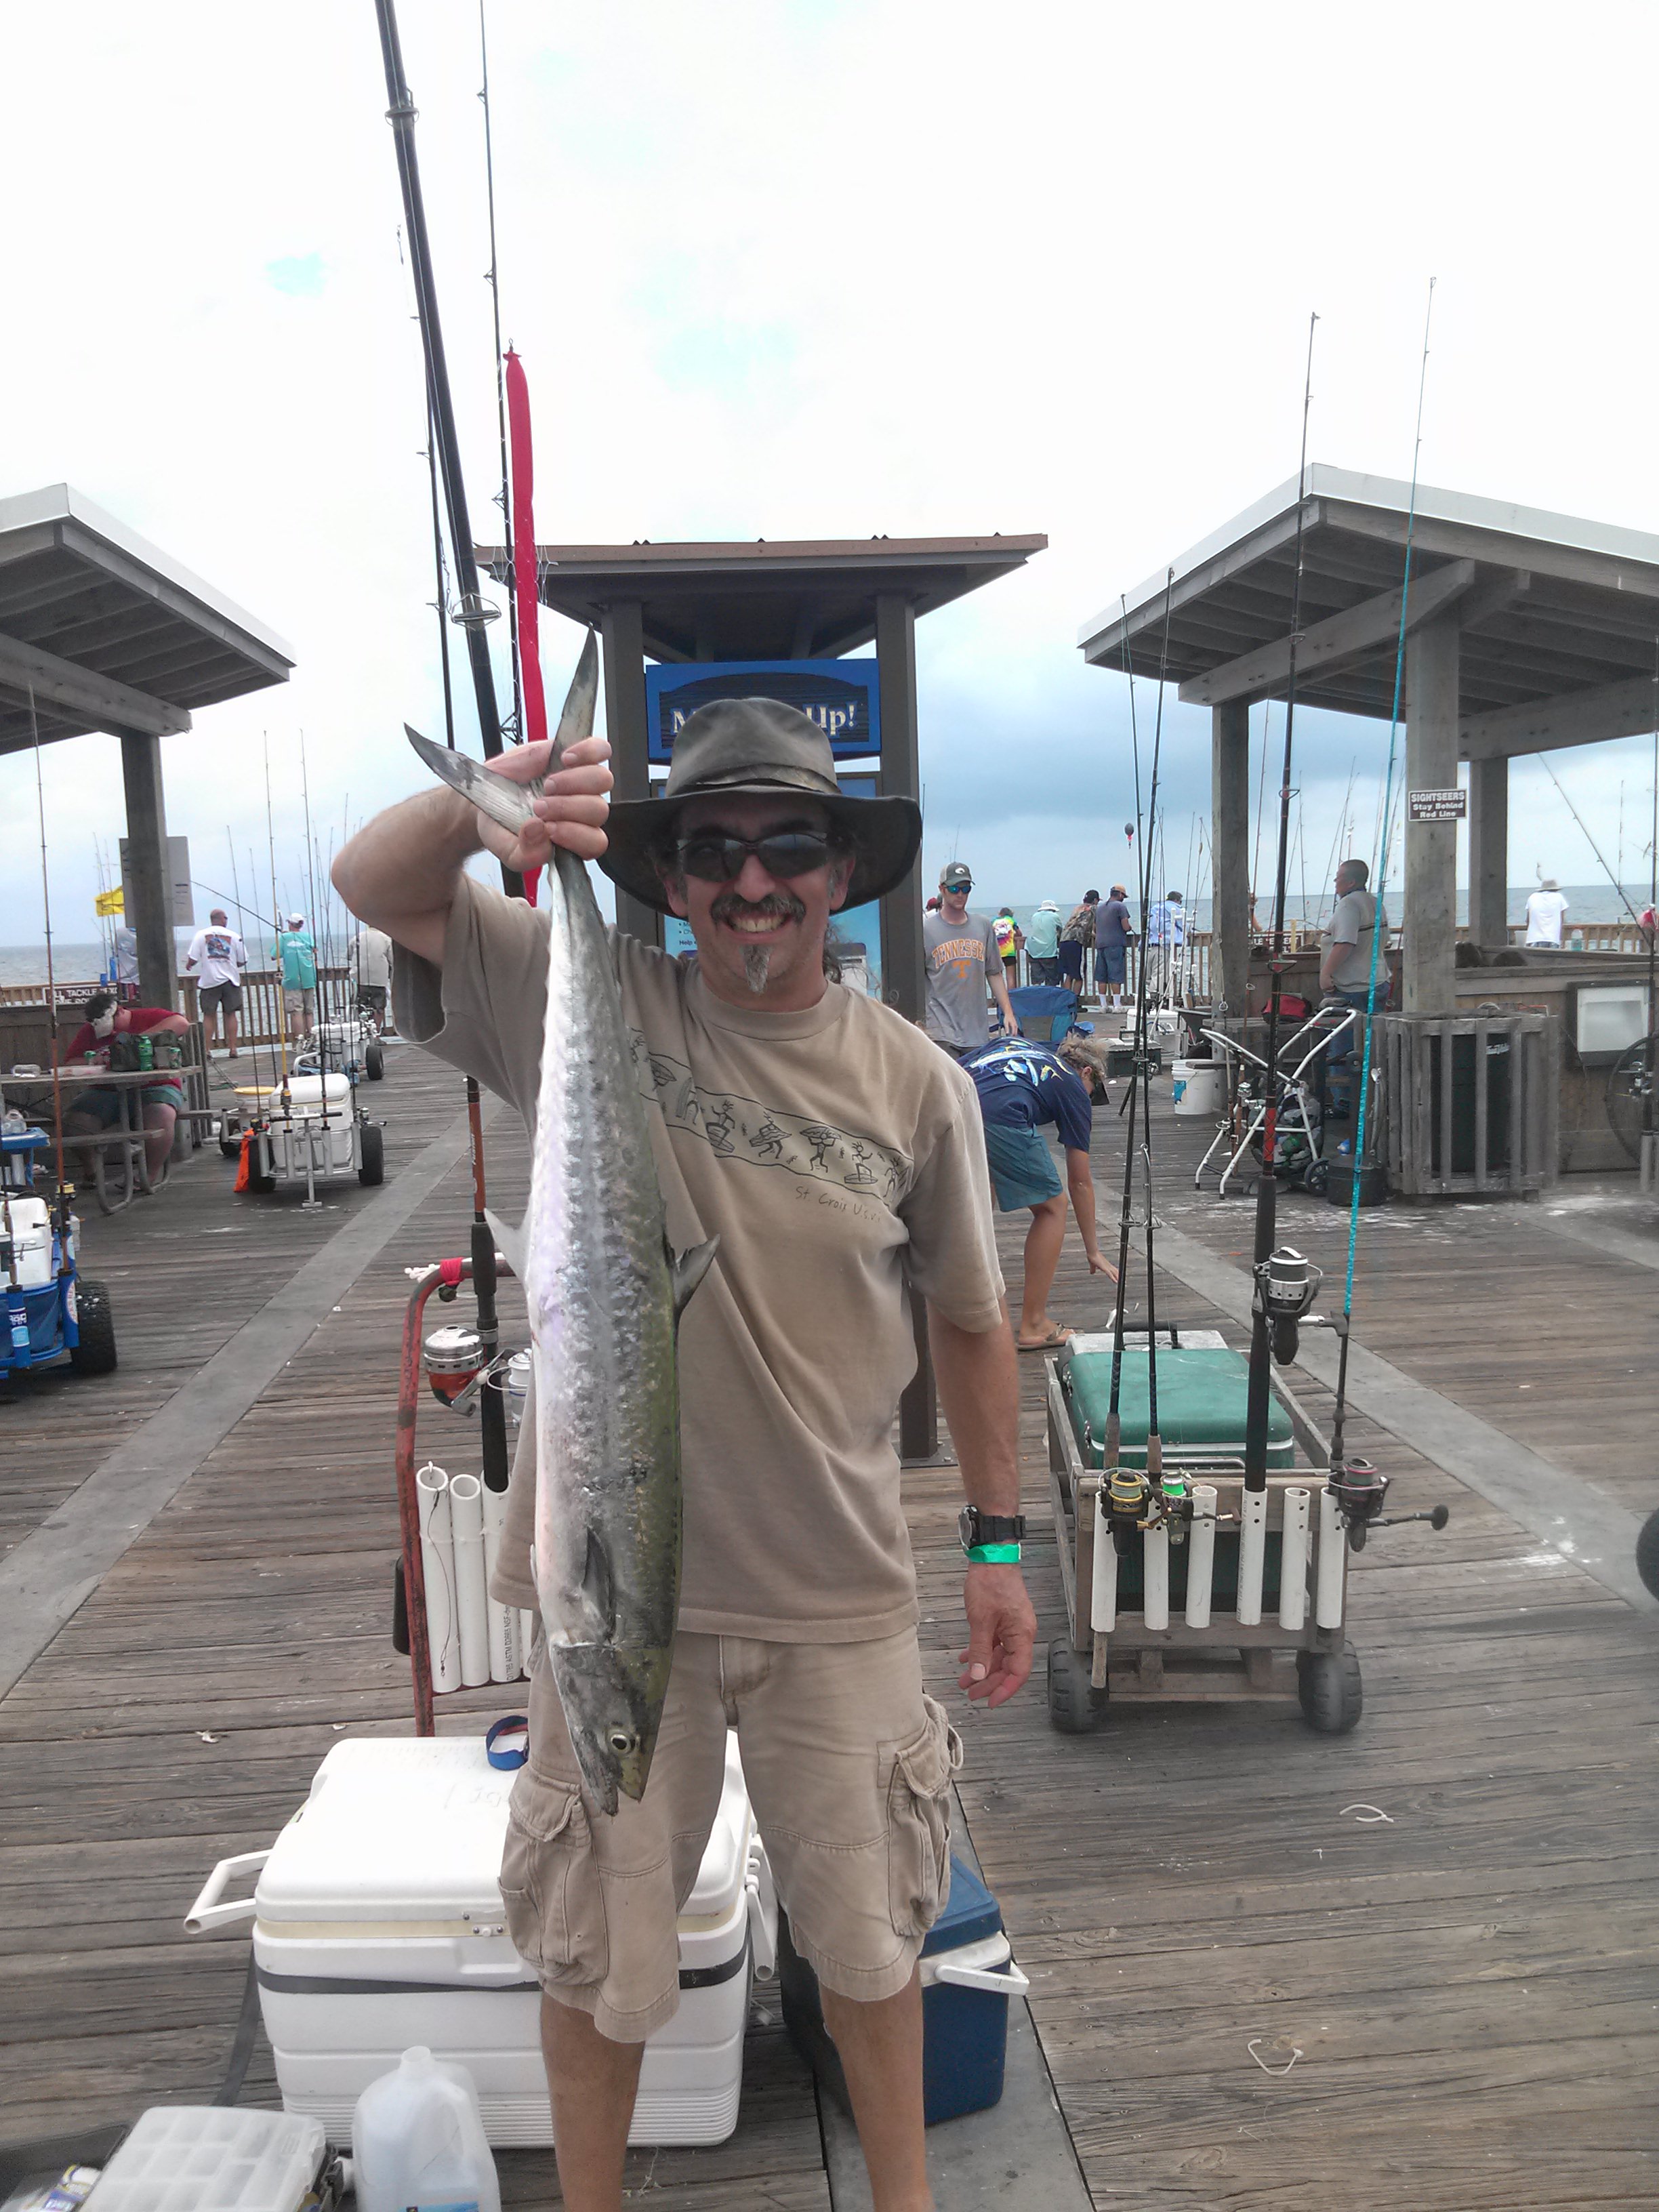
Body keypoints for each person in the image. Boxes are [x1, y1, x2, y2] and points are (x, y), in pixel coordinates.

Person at [333, 697, 1034, 2212]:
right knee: (597, 1952)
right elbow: (375, 885)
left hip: (837, 1599)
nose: (753, 878)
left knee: (873, 1949)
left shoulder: (920, 1083)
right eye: (713, 848)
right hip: (619, 1606)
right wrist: (491, 807)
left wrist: (995, 1546)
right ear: (673, 878)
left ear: (841, 870)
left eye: (790, 842)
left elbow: (978, 1326)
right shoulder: (583, 993)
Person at [961, 1036, 1112, 1352]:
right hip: (1000, 1116)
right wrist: (1093, 1249)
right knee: (1053, 1206)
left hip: (953, 1099)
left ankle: (964, 1303)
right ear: (1087, 1072)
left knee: (977, 1192)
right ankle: (1034, 1324)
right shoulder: (1072, 1086)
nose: (1091, 1098)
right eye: (1095, 1090)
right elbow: (1080, 1183)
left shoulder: (1015, 1043)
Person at [60, 989, 189, 1185]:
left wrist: (134, 1044)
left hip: (155, 1085)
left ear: (120, 1012)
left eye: (113, 1029)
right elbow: (71, 1061)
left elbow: (181, 1023)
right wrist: (94, 1060)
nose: (111, 1034)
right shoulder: (89, 1031)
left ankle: (150, 1174)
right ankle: (92, 1170)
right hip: (107, 1090)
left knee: (161, 1115)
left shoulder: (148, 1016)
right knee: (75, 1121)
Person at [924, 861, 1016, 1058]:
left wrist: (1008, 1012)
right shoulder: (925, 930)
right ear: (942, 889)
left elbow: (994, 973)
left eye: (965, 889)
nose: (960, 894)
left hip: (977, 1032)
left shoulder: (983, 926)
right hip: (940, 1031)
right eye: (954, 888)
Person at [1318, 859, 1389, 1013]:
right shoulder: (1376, 903)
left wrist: (1325, 974)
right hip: (1378, 982)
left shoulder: (1348, 904)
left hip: (1353, 989)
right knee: (1372, 1034)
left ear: (1350, 882)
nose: (1335, 882)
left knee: (1347, 1035)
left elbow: (1345, 943)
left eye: (1338, 877)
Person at [184, 909, 247, 1058]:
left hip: (209, 980)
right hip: (231, 980)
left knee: (208, 1015)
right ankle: (233, 1049)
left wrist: (189, 965)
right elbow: (243, 960)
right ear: (223, 919)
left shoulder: (201, 935)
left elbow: (193, 957)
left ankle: (207, 1050)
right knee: (231, 1014)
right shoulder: (234, 936)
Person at [272, 913, 318, 1040]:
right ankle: (312, 1040)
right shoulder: (307, 936)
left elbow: (274, 955)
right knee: (309, 1011)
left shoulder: (284, 938)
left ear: (290, 924)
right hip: (309, 977)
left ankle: (300, 1042)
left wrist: (285, 937)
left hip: (292, 980)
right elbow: (315, 950)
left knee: (296, 1011)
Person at [1094, 884, 1135, 1010]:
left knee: (1102, 976)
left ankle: (1103, 1005)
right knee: (1115, 974)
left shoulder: (1099, 908)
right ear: (1120, 895)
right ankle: (1117, 1005)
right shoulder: (1120, 906)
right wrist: (1129, 928)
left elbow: (1095, 927)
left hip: (1100, 944)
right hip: (1115, 944)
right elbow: (1125, 926)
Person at [351, 924, 394, 1027]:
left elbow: (349, 954)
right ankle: (376, 1035)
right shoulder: (386, 939)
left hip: (360, 979)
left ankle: (363, 1032)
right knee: (379, 1008)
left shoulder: (357, 937)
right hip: (379, 979)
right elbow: (392, 960)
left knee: (361, 1007)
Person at [1057, 890, 1099, 990]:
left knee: (1069, 974)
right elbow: (1095, 924)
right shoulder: (1094, 909)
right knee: (1079, 975)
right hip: (1076, 942)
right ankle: (1075, 1000)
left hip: (1064, 940)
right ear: (1095, 900)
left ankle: (1067, 1000)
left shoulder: (1077, 908)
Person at [1023, 899, 1062, 985]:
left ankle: (1038, 996)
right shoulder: (1054, 916)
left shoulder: (1035, 916)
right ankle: (1051, 996)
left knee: (1037, 979)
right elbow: (1060, 930)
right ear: (1052, 909)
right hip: (1049, 951)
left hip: (1033, 949)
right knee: (1052, 978)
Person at [1525, 877, 1569, 947]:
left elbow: (1528, 920)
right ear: (1555, 889)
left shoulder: (1532, 897)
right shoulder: (1559, 897)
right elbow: (1562, 920)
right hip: (1552, 939)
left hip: (1533, 939)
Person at [992, 907, 1022, 989]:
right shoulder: (1011, 920)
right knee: (1010, 977)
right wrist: (1012, 935)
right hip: (1009, 951)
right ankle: (1011, 997)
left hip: (996, 951)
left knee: (998, 977)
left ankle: (999, 999)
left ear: (1000, 914)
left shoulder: (994, 921)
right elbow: (1019, 933)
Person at [112, 924, 140, 1005]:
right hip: (139, 980)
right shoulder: (148, 932)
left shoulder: (119, 933)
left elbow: (115, 953)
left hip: (123, 979)